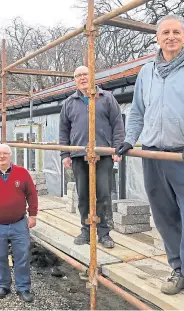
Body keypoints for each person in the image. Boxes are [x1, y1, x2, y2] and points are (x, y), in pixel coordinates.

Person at [116, 15, 184, 308]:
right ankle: (177, 271)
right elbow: (137, 111)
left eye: (177, 32)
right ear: (157, 38)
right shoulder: (147, 71)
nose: (171, 37)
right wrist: (131, 139)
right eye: (166, 32)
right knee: (164, 216)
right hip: (153, 154)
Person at [59, 65, 125, 249]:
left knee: (103, 194)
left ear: (92, 77)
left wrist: (117, 149)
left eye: (85, 74)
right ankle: (86, 230)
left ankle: (104, 233)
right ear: (75, 80)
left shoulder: (107, 98)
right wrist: (65, 153)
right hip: (79, 155)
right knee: (83, 195)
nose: (82, 78)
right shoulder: (69, 103)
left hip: (103, 154)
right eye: (78, 75)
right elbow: (64, 130)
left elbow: (118, 125)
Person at [0, 144, 38, 303]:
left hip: (19, 224)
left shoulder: (22, 173)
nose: (1, 157)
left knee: (22, 256)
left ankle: (23, 288)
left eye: (5, 154)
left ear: (10, 156)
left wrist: (33, 215)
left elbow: (32, 194)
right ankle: (3, 285)